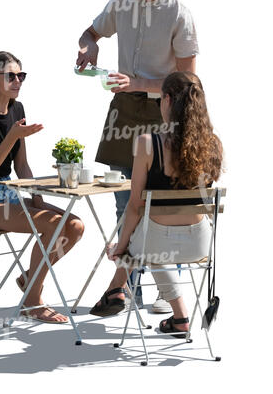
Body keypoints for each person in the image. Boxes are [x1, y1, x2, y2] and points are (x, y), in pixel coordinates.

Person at [76, 0, 199, 313]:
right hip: (124, 113)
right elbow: (90, 33)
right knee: (123, 201)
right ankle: (128, 289)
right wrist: (89, 48)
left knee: (164, 202)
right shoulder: (121, 1)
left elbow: (188, 81)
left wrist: (139, 83)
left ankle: (167, 290)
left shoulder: (178, 13)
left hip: (166, 112)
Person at [89, 72, 223, 338]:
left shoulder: (148, 144)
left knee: (145, 240)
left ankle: (117, 290)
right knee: (152, 239)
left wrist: (120, 247)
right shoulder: (213, 145)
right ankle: (174, 315)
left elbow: (135, 207)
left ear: (168, 100)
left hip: (156, 243)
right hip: (201, 243)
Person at [0, 51, 85, 323]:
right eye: (11, 76)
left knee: (74, 226)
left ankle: (29, 277)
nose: (18, 81)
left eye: (21, 75)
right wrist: (12, 135)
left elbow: (22, 165)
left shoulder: (17, 109)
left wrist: (37, 195)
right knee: (51, 225)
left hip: (8, 192)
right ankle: (33, 301)